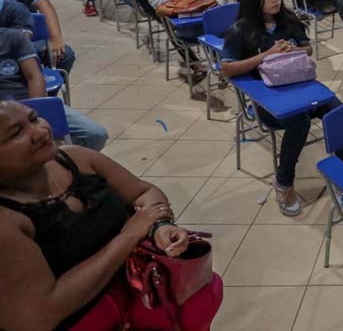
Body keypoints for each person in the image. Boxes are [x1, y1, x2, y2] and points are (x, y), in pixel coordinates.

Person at [0, 101, 222, 330]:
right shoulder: (8, 221)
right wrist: (128, 237)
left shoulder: (76, 159)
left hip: (142, 293)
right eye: (16, 133)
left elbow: (144, 192)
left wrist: (159, 225)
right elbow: (41, 314)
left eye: (34, 118)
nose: (39, 131)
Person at [221, 0, 343, 215]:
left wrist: (295, 49)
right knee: (299, 122)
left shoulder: (289, 20)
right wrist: (265, 55)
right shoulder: (240, 30)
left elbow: (308, 49)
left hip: (301, 87)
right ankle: (284, 181)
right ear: (252, 1)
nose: (275, 0)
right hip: (269, 100)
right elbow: (226, 69)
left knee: (339, 114)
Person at [0, 25, 108, 149]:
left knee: (95, 134)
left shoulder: (12, 37)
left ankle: (61, 161)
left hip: (26, 105)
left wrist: (36, 115)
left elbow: (35, 76)